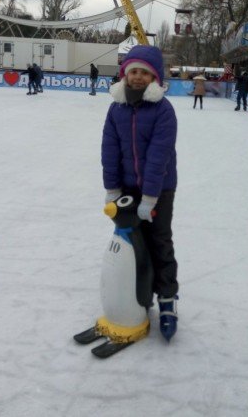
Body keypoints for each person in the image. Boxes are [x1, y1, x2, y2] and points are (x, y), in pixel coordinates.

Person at [101, 45, 179, 341]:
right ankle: (139, 297)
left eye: (144, 73)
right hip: (127, 188)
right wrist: (112, 189)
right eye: (133, 71)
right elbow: (109, 150)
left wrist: (150, 198)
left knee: (159, 243)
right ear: (125, 74)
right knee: (135, 245)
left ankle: (167, 300)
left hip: (160, 189)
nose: (137, 77)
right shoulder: (116, 108)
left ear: (154, 77)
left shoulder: (163, 110)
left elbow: (159, 157)